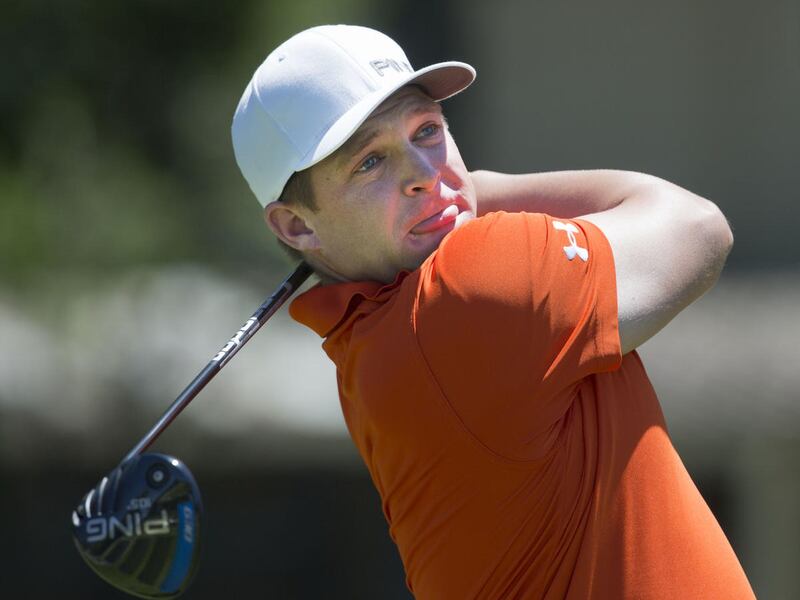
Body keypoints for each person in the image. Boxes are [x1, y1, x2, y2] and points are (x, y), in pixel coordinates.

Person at [231, 24, 755, 599]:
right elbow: (699, 227)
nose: (423, 174)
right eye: (370, 163)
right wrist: (473, 190)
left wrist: (457, 197)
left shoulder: (370, 344)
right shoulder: (465, 290)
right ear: (296, 225)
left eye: (427, 131)